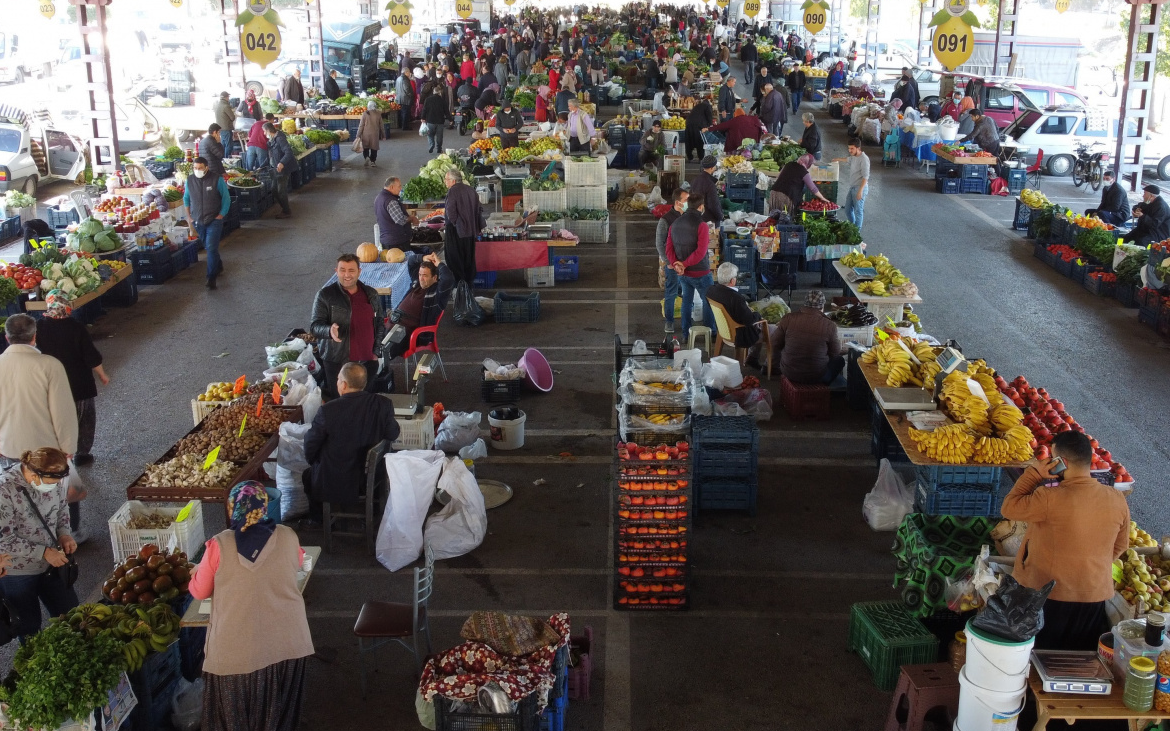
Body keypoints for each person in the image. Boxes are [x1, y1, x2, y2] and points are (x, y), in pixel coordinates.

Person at [190, 482, 313, 730]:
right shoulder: (288, 536)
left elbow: (200, 591)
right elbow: (298, 561)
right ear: (265, 507)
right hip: (287, 646)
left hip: (236, 653)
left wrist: (194, 574)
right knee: (278, 718)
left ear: (232, 509)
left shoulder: (219, 544)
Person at [1000, 430, 1130, 651]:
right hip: (1094, 595)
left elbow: (1008, 507)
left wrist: (1034, 473)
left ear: (1062, 462)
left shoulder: (1049, 497)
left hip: (1049, 596)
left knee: (1044, 658)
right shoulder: (1117, 499)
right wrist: (1091, 565)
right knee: (1080, 661)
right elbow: (1121, 546)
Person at [302, 365, 400, 525]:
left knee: (308, 476)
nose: (337, 383)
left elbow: (310, 445)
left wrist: (314, 462)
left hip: (338, 478)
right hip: (373, 475)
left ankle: (319, 521)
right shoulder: (383, 404)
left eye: (339, 379)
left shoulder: (328, 411)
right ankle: (373, 511)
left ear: (344, 385)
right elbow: (393, 434)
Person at [0, 447, 75, 640]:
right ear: (34, 476)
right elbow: (3, 539)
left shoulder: (55, 479)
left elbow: (62, 507)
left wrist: (64, 533)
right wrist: (43, 552)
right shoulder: (4, 491)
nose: (55, 486)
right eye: (51, 483)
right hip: (18, 571)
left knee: (70, 617)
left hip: (53, 564)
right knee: (28, 627)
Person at [30, 293, 108, 469]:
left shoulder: (38, 327)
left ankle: (58, 453)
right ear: (67, 308)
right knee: (84, 419)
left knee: (57, 419)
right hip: (80, 384)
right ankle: (82, 454)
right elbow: (91, 356)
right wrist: (102, 375)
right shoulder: (76, 327)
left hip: (52, 385)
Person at [309, 255, 387, 399]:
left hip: (367, 361)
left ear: (359, 271)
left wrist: (375, 352)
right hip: (337, 361)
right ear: (336, 271)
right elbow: (315, 326)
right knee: (339, 402)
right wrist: (328, 331)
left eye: (351, 270)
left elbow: (379, 323)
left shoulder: (371, 293)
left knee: (364, 401)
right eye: (342, 270)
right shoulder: (325, 295)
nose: (347, 275)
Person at [383, 253, 455, 361]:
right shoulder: (416, 283)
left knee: (383, 352)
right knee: (367, 343)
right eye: (420, 274)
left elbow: (448, 278)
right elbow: (411, 262)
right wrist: (423, 258)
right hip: (392, 323)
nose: (421, 278)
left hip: (406, 332)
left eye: (425, 275)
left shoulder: (437, 293)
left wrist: (439, 263)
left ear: (435, 278)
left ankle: (378, 374)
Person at [665, 197, 715, 337]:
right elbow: (701, 252)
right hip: (701, 272)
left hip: (684, 274)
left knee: (687, 301)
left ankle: (686, 334)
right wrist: (684, 264)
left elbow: (668, 248)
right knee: (708, 301)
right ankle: (710, 332)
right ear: (700, 207)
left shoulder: (674, 224)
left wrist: (677, 264)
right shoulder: (702, 225)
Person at [774, 290, 844, 384]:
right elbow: (835, 352)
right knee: (840, 360)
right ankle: (824, 386)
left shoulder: (788, 318)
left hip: (788, 372)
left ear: (805, 303)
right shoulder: (830, 325)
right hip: (816, 376)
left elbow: (775, 343)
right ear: (822, 306)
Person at [706, 262, 770, 364]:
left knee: (758, 323)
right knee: (771, 329)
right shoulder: (736, 298)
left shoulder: (711, 290)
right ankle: (768, 364)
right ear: (732, 280)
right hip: (739, 334)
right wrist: (758, 315)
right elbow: (749, 320)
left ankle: (752, 358)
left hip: (723, 329)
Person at [183, 156, 231, 289]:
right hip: (198, 221)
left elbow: (226, 198)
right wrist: (189, 217)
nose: (197, 170)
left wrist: (221, 215)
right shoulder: (190, 180)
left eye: (200, 168)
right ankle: (218, 265)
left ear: (206, 168)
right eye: (195, 168)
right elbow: (186, 199)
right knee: (210, 247)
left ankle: (211, 278)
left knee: (210, 247)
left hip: (214, 220)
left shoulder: (217, 179)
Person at [443, 169, 485, 286]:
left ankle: (459, 288)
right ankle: (468, 287)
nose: (445, 182)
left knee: (455, 260)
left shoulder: (452, 191)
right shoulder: (471, 190)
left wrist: (457, 223)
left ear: (453, 180)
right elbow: (479, 209)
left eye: (446, 180)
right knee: (468, 259)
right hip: (470, 231)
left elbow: (450, 212)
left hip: (456, 231)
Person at [656, 189, 687, 334]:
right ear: (678, 202)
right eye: (686, 200)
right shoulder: (666, 220)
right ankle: (669, 322)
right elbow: (659, 243)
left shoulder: (688, 216)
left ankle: (687, 321)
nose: (688, 203)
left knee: (687, 293)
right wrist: (669, 261)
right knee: (671, 292)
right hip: (673, 264)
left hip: (687, 263)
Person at [833, 137, 870, 229]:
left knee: (858, 211)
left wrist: (860, 191)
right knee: (848, 209)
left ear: (858, 148)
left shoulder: (864, 159)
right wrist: (837, 159)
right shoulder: (854, 157)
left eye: (852, 148)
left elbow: (865, 177)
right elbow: (847, 159)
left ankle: (856, 232)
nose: (850, 150)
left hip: (859, 188)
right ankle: (852, 225)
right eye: (849, 148)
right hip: (853, 187)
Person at [375, 177, 418, 252]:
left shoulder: (379, 197)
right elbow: (400, 219)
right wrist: (411, 218)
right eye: (399, 186)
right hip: (396, 242)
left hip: (387, 240)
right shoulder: (391, 201)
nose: (400, 189)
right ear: (391, 187)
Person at [264, 122, 296, 220]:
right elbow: (271, 155)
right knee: (274, 190)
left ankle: (286, 211)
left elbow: (288, 152)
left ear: (269, 131)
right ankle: (284, 209)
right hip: (275, 169)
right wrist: (261, 166)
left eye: (264, 131)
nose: (264, 134)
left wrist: (282, 163)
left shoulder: (280, 139)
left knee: (281, 191)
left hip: (283, 169)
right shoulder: (272, 139)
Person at [356, 101, 385, 168]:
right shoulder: (378, 114)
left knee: (365, 147)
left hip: (365, 134)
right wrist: (383, 135)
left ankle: (366, 157)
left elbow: (361, 126)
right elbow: (381, 126)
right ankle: (373, 161)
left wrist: (358, 135)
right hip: (375, 134)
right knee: (374, 148)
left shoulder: (365, 114)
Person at [422, 88, 449, 154]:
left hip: (430, 121)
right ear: (440, 93)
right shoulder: (442, 100)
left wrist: (423, 118)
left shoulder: (428, 100)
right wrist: (450, 119)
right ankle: (439, 149)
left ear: (433, 92)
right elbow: (446, 111)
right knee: (439, 136)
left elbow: (424, 109)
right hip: (440, 121)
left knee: (430, 134)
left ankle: (431, 144)